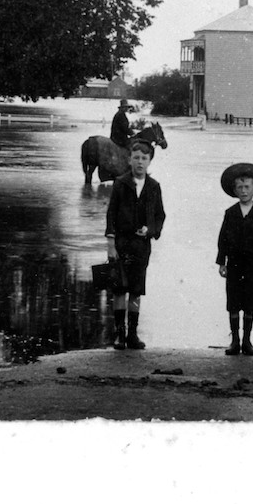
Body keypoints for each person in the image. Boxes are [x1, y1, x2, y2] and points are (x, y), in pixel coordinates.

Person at [105, 139, 166, 350]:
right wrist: (111, 243)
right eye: (136, 158)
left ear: (150, 161)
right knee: (119, 289)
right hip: (122, 243)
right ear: (129, 159)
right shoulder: (121, 183)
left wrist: (151, 230)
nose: (140, 162)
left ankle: (133, 334)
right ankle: (119, 334)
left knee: (136, 289)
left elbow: (160, 215)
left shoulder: (154, 187)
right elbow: (111, 213)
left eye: (144, 158)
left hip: (141, 245)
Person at [216, 163, 253, 356]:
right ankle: (234, 341)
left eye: (247, 187)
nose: (243, 191)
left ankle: (247, 341)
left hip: (252, 266)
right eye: (239, 187)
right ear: (234, 190)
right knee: (233, 301)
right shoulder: (230, 213)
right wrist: (221, 262)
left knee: (250, 301)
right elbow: (222, 239)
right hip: (233, 264)